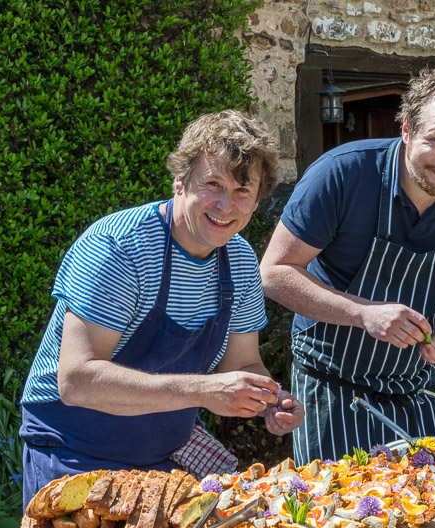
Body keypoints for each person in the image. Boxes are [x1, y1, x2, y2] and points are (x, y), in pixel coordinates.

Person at [20, 109, 305, 507]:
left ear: (256, 203)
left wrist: (269, 399)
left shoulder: (239, 261)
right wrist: (203, 391)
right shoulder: (120, 248)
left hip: (159, 458)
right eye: (212, 184)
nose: (226, 205)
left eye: (242, 191)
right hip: (73, 452)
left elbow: (243, 363)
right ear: (179, 182)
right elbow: (76, 381)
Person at [260, 66, 435, 465]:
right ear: (407, 129)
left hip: (418, 386)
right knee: (347, 516)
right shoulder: (343, 174)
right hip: (333, 387)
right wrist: (363, 313)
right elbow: (274, 273)